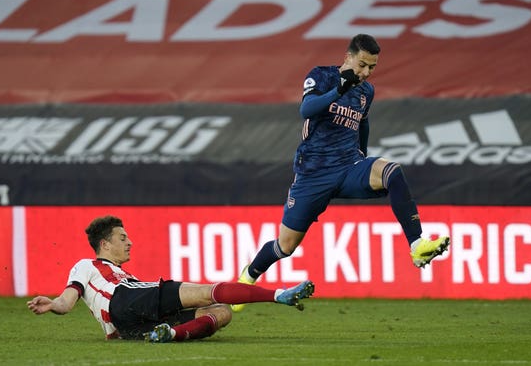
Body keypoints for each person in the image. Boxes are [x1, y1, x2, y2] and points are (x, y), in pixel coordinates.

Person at [231, 34, 449, 312]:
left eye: (371, 67)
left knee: (391, 171)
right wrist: (339, 90)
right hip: (313, 175)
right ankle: (248, 276)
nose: (365, 72)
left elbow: (363, 122)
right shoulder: (321, 76)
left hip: (348, 168)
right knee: (285, 246)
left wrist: (362, 154)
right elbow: (306, 110)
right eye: (361, 65)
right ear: (347, 57)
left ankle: (417, 244)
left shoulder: (366, 91)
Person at [27, 215, 314, 342]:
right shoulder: (88, 266)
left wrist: (55, 306)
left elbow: (67, 303)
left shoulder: (124, 275)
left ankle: (169, 334)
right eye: (122, 238)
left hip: (129, 329)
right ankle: (278, 295)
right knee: (206, 291)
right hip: (126, 299)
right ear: (104, 245)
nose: (129, 243)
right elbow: (68, 299)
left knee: (222, 312)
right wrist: (54, 304)